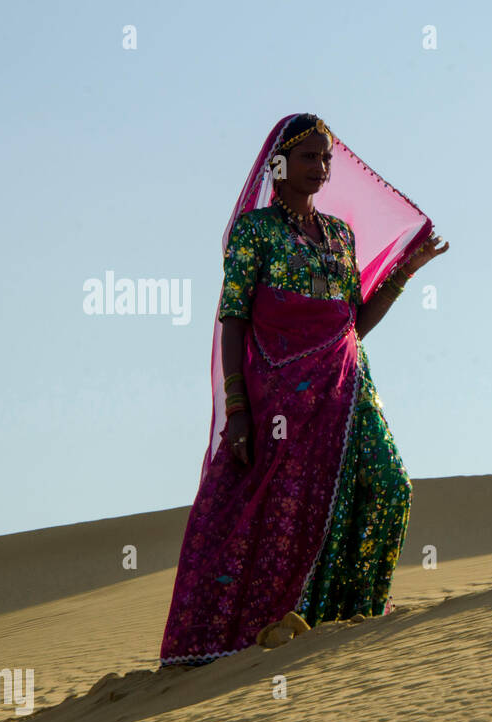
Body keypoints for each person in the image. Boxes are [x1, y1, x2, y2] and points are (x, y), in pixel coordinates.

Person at [158, 113, 448, 668]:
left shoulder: (340, 235)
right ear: (279, 165)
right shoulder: (256, 233)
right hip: (278, 395)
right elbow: (234, 317)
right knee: (285, 515)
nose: (321, 167)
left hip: (346, 387)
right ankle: (275, 629)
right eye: (310, 157)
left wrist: (406, 272)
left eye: (326, 158)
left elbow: (352, 324)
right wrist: (238, 408)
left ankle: (354, 617)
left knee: (391, 487)